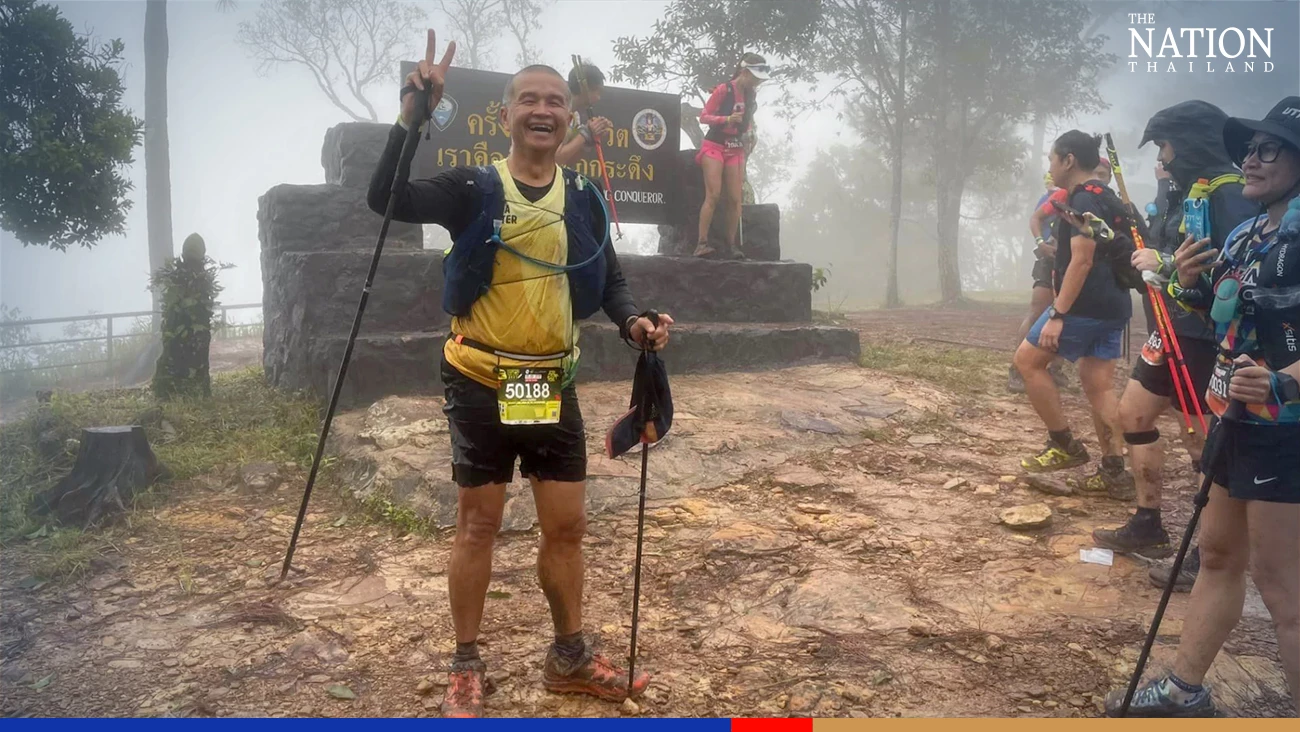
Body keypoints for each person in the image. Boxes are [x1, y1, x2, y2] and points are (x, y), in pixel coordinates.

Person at [368, 30, 674, 718]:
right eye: (529, 100)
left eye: (555, 102)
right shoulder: (474, 186)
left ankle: (568, 659)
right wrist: (411, 111)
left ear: (569, 118)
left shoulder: (584, 196)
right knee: (478, 526)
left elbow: (611, 280)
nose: (543, 110)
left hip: (550, 382)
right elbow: (384, 198)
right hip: (479, 377)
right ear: (504, 116)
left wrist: (634, 324)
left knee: (566, 528)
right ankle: (466, 666)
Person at [1105, 95, 1300, 718]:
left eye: (1269, 148)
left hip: (1284, 432)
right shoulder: (1246, 231)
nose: (1250, 158)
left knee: (1282, 592)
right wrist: (1180, 282)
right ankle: (1184, 690)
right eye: (1248, 146)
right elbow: (1219, 317)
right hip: (1230, 420)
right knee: (1217, 556)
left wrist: (1283, 384)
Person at [1092, 101, 1258, 580]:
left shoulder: (1229, 195)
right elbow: (1166, 248)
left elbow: (1228, 271)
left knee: (1201, 441)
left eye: (1165, 146)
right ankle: (1148, 522)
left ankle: (1209, 551)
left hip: (1204, 336)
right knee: (1134, 415)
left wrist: (1164, 267)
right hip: (1170, 331)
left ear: (1188, 143)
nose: (1162, 158)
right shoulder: (1182, 192)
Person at [1013, 132, 1133, 496]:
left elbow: (1082, 260)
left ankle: (1063, 443)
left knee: (1027, 362)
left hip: (1083, 304)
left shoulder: (1084, 200)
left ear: (1068, 160)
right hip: (1115, 304)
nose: (1049, 167)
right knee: (1098, 385)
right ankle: (1115, 471)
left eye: (1052, 159)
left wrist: (1058, 313)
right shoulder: (1107, 195)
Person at [1011, 163, 1115, 393]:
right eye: (1094, 172)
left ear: (1109, 179)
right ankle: (1017, 370)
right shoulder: (1065, 194)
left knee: (1065, 314)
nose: (1097, 178)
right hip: (1051, 260)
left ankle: (1054, 368)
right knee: (1038, 310)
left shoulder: (1107, 201)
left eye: (1103, 175)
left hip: (1077, 266)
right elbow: (1035, 218)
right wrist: (1041, 243)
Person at [692, 53, 769, 260]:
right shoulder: (723, 90)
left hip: (735, 148)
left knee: (735, 199)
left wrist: (749, 132)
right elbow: (704, 116)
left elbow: (747, 120)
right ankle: (701, 243)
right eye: (754, 77)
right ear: (744, 72)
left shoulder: (751, 95)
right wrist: (726, 119)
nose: (757, 83)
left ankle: (731, 245)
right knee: (714, 194)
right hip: (714, 145)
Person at [556, 59, 611, 167]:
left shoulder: (575, 117)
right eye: (597, 91)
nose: (598, 98)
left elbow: (568, 161)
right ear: (584, 87)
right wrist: (585, 134)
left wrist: (590, 140)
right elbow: (555, 159)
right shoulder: (558, 111)